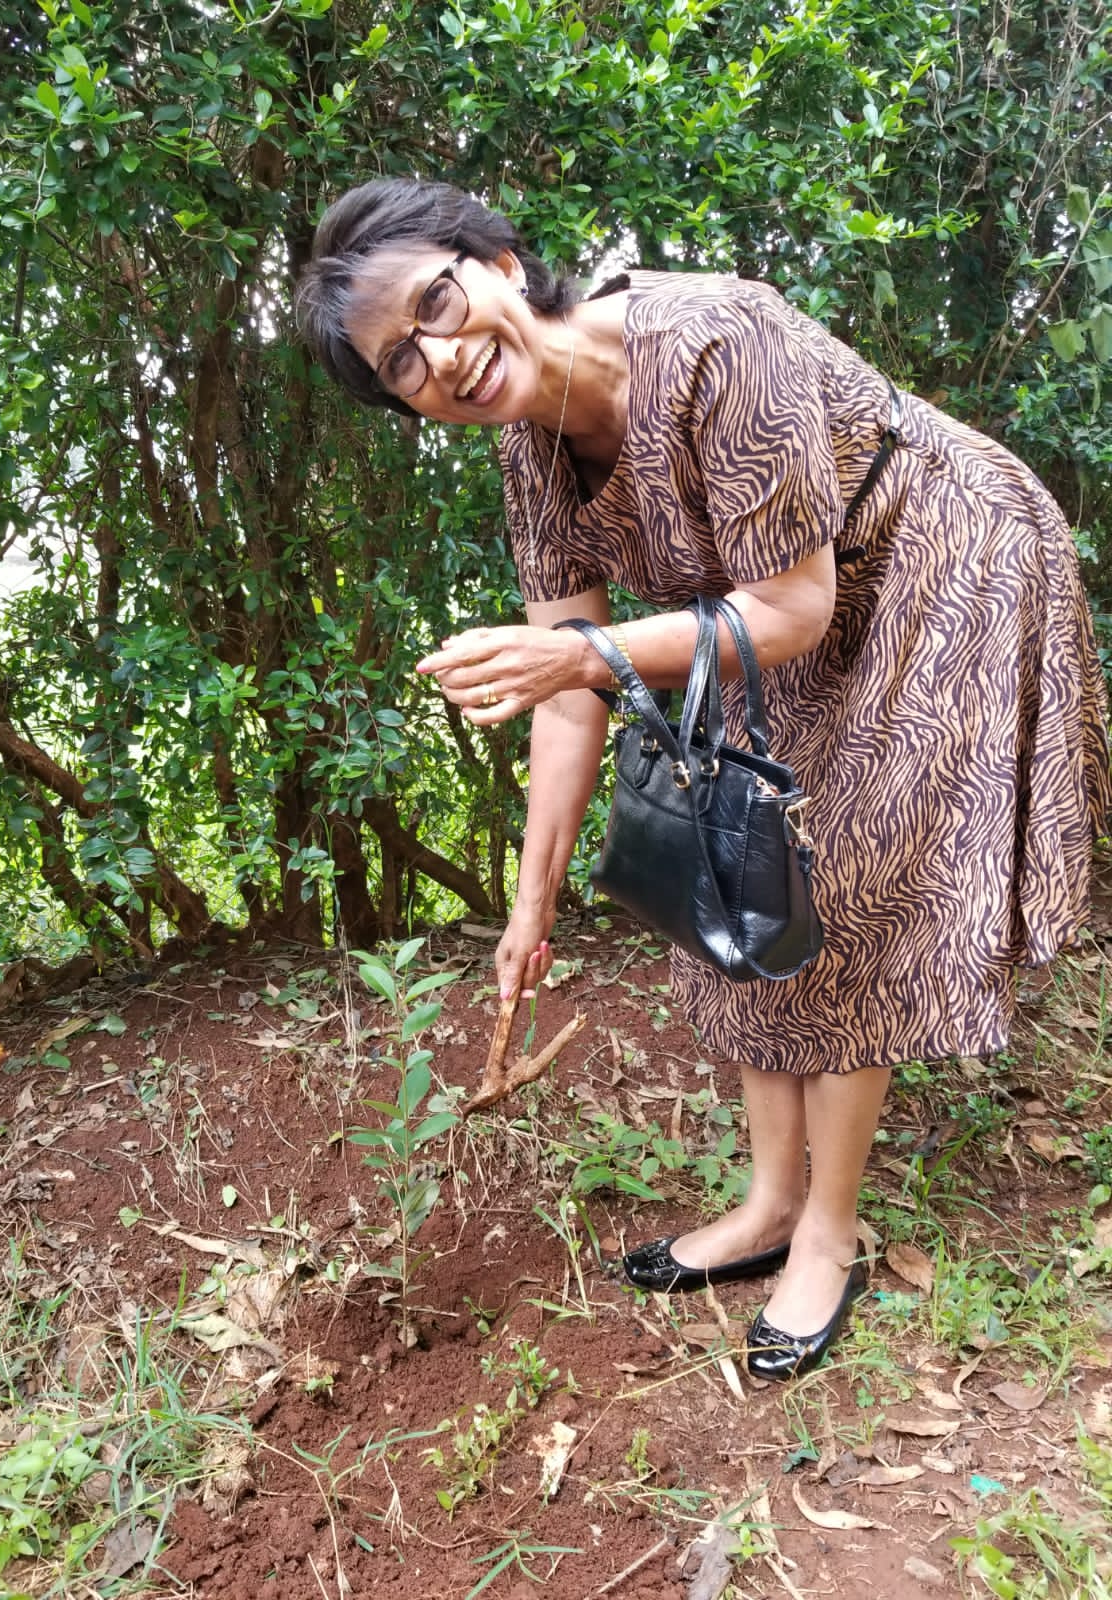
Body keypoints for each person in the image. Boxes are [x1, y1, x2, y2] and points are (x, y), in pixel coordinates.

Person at [294, 177, 1111, 1380]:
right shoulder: (532, 461)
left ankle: (827, 1233)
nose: (444, 355)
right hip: (772, 604)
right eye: (403, 362)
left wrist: (579, 652)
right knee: (732, 865)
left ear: (501, 263)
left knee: (846, 871)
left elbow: (786, 606)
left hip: (944, 547)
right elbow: (570, 699)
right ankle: (770, 1201)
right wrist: (531, 908)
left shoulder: (719, 340)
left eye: (439, 302)